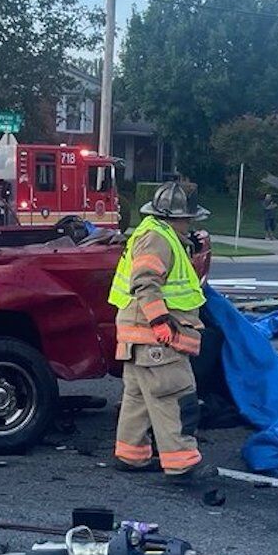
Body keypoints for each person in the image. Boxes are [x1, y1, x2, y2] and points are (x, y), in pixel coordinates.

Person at [108, 181, 213, 480]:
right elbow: (145, 282)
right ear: (176, 217)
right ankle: (183, 464)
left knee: (138, 399)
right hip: (156, 337)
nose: (190, 223)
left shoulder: (153, 234)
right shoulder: (158, 239)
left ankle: (131, 455)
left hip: (137, 336)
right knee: (175, 396)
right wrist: (160, 323)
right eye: (188, 218)